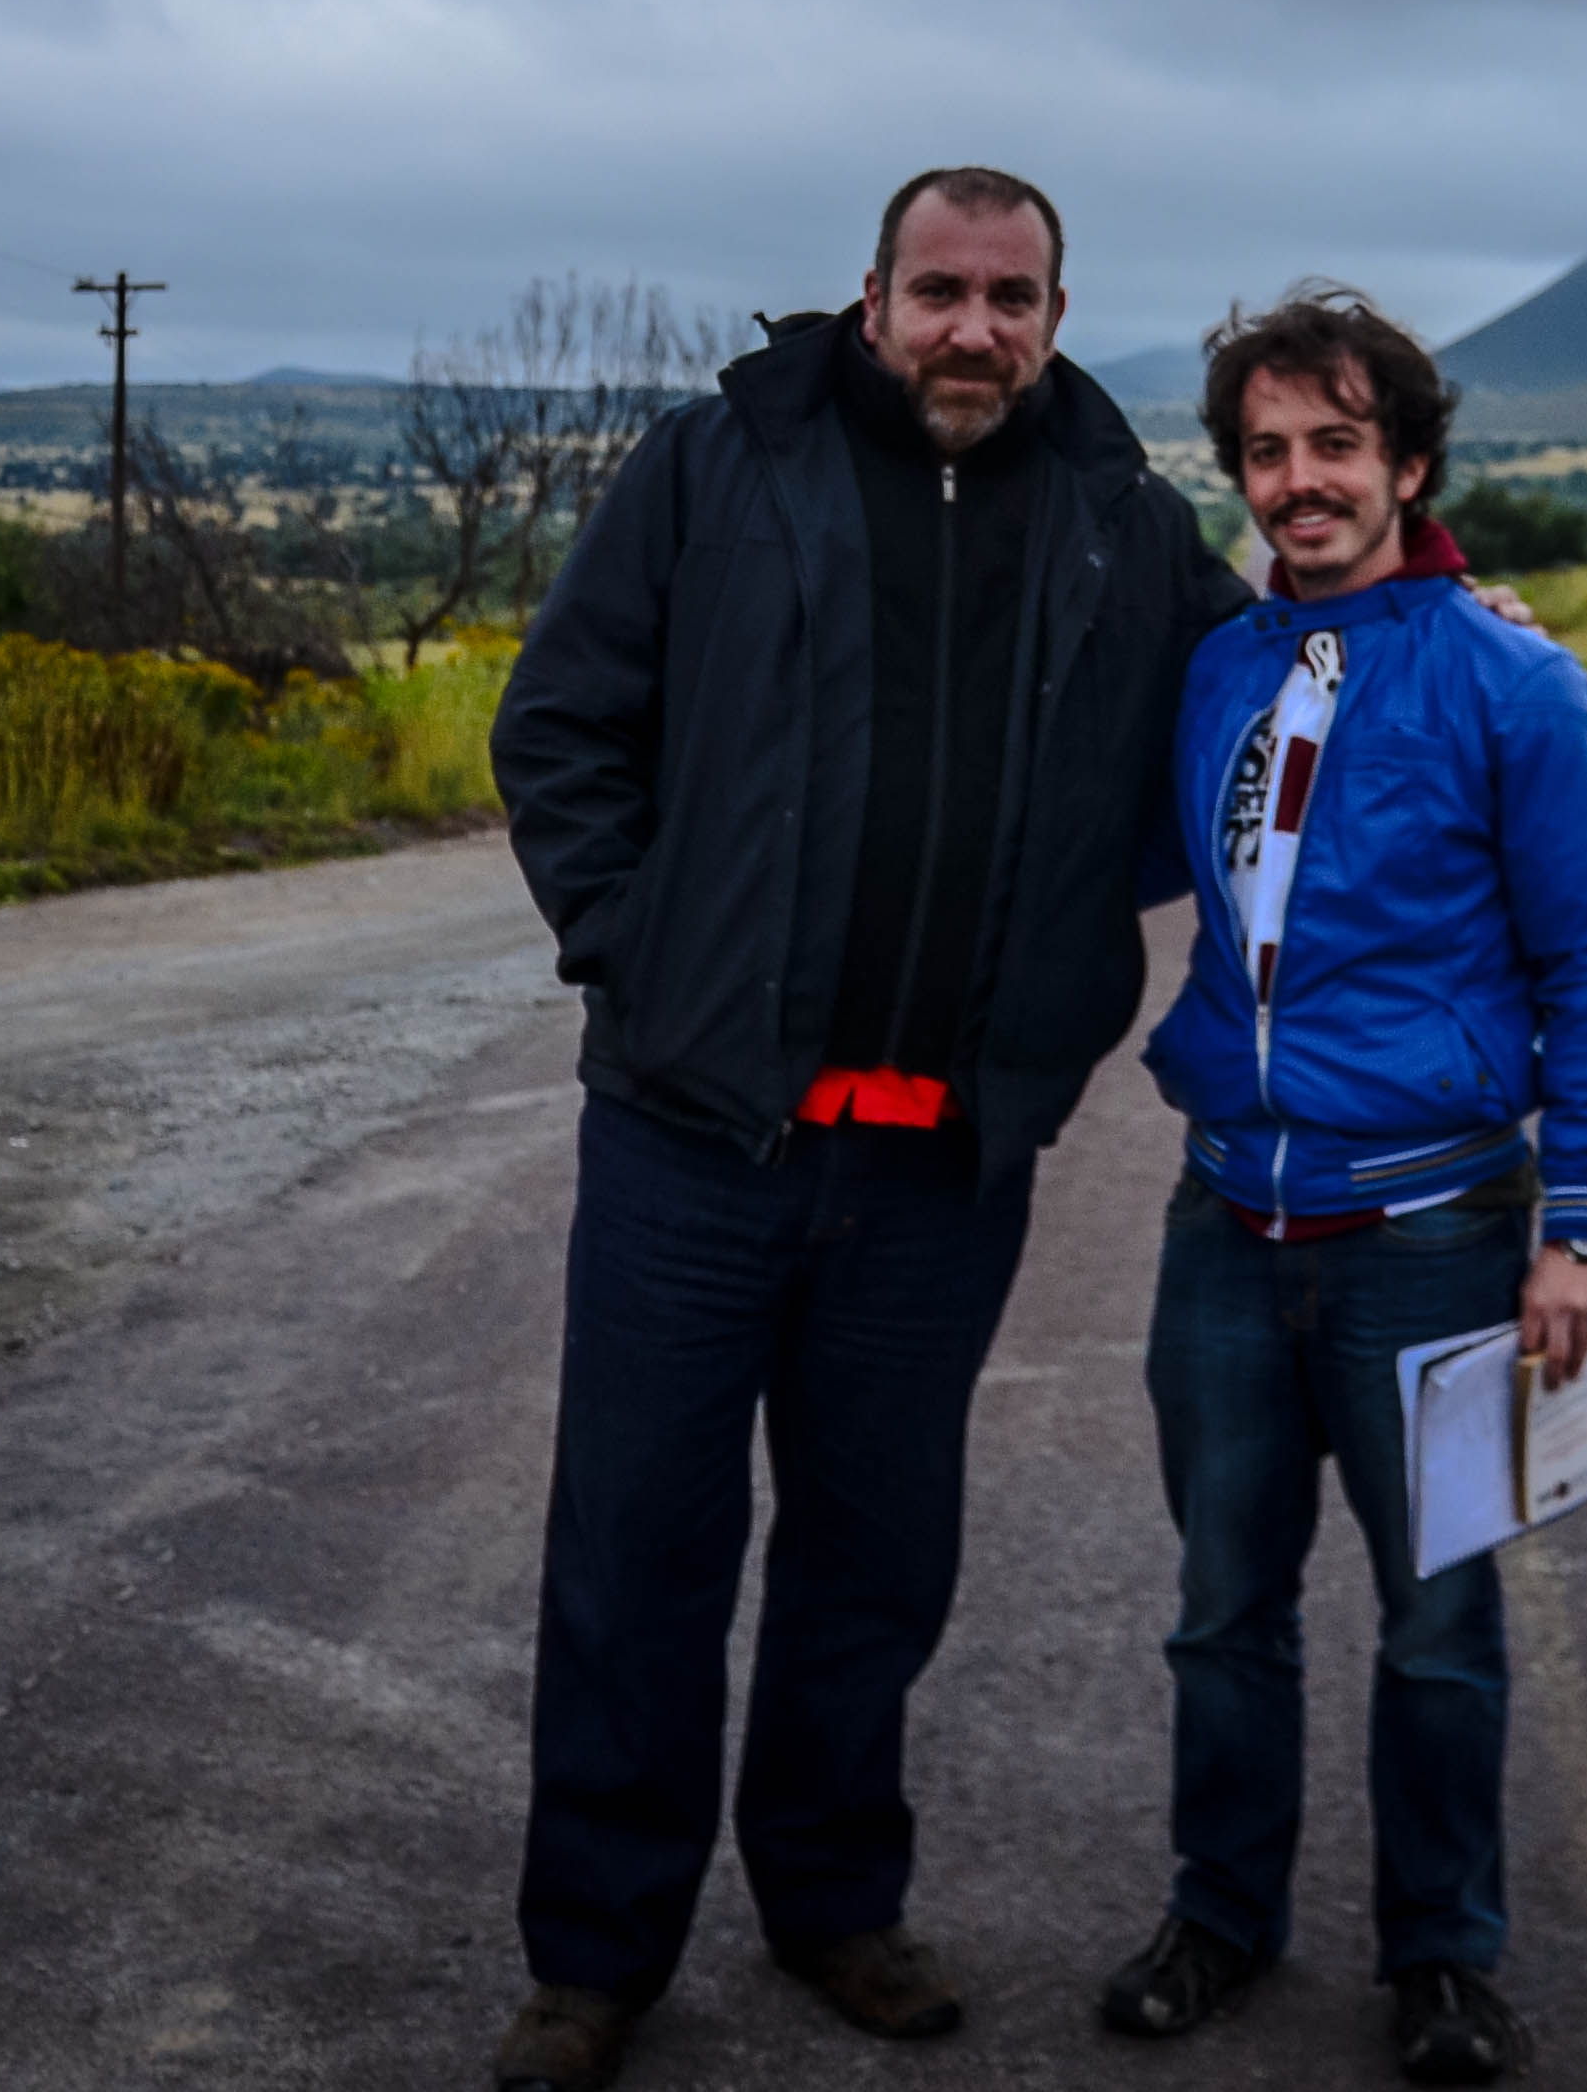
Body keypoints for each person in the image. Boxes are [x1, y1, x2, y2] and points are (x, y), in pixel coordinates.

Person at [481, 167, 1256, 2092]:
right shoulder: (714, 467)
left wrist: (1435, 598)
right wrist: (639, 951)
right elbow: (563, 723)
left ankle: (832, 1905)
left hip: (937, 1170)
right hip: (693, 1136)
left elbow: (1256, 713)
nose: (974, 329)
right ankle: (597, 1961)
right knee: (637, 1546)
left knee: (872, 1556)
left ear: (1058, 318)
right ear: (871, 298)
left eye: (1012, 297)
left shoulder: (1119, 524)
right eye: (940, 291)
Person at [1099, 289, 1587, 2088]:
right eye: (1266, 452)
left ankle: (1443, 1956)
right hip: (1226, 1230)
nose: (1299, 481)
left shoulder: (1512, 677)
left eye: (1337, 444)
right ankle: (1221, 1919)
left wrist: (1577, 1227)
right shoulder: (1220, 668)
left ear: (1411, 464)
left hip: (1432, 1236)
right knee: (1219, 1614)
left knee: (1439, 1631)